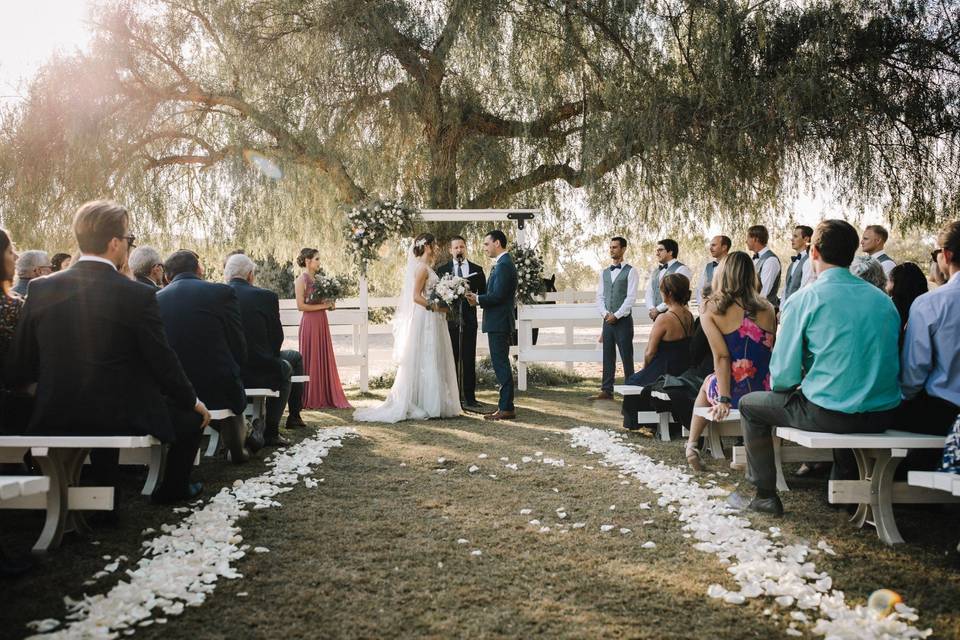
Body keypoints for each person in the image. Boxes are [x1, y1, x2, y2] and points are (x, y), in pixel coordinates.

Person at [5, 200, 211, 504]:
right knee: (192, 420)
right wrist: (192, 401)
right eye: (129, 239)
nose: (129, 246)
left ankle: (100, 502)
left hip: (56, 410)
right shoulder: (137, 294)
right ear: (114, 243)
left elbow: (20, 362)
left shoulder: (41, 288)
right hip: (120, 414)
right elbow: (162, 360)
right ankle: (173, 489)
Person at [727, 219, 901, 516]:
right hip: (882, 414)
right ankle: (843, 485)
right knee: (836, 392)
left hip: (831, 414)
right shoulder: (884, 301)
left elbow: (782, 377)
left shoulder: (804, 299)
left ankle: (765, 495)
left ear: (814, 251)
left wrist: (802, 382)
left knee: (750, 405)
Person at [683, 252, 777, 471]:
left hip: (732, 392)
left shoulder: (711, 309)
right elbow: (769, 351)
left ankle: (692, 445)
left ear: (722, 273)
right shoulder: (768, 308)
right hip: (765, 391)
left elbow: (722, 357)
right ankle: (747, 451)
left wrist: (724, 399)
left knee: (707, 383)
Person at [355, 233, 460, 423]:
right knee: (426, 356)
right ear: (427, 246)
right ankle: (427, 404)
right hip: (426, 317)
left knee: (433, 355)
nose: (436, 248)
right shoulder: (421, 268)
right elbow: (416, 297)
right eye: (434, 245)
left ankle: (434, 402)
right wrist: (435, 306)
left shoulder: (428, 267)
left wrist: (445, 301)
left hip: (434, 317)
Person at [158, 250, 252, 459]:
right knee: (231, 387)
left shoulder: (156, 298)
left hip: (177, 391)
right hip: (217, 384)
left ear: (166, 276)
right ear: (199, 269)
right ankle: (238, 449)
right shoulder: (221, 292)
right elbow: (237, 342)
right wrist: (236, 369)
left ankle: (244, 439)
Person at [225, 253, 305, 445]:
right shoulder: (265, 296)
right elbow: (277, 337)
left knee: (292, 357)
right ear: (250, 274)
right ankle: (273, 429)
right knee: (287, 364)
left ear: (227, 274)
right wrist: (270, 356)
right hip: (259, 366)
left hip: (227, 367)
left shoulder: (215, 295)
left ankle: (291, 416)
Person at [899, 221, 960, 437]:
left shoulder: (930, 303)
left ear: (946, 254)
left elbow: (915, 368)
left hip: (944, 411)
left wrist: (904, 396)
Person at [620, 274, 694, 429]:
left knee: (633, 381)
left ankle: (636, 422)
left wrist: (645, 368)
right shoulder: (689, 315)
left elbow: (650, 352)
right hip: (684, 367)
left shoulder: (664, 318)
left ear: (669, 294)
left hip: (665, 369)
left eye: (661, 291)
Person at [466, 230, 518, 421]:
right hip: (498, 322)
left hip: (499, 323)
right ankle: (505, 406)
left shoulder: (504, 266)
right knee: (500, 363)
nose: (485, 248)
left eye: (487, 244)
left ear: (497, 243)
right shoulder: (502, 264)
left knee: (501, 364)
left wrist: (477, 298)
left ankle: (506, 408)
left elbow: (499, 296)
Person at [295, 248, 352, 409]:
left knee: (322, 354)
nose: (319, 262)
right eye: (317, 259)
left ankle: (325, 393)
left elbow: (325, 304)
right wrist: (323, 306)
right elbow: (300, 306)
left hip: (321, 321)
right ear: (307, 261)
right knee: (311, 356)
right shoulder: (301, 280)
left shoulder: (320, 279)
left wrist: (330, 304)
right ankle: (312, 395)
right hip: (310, 323)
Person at [436, 235, 486, 410]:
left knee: (468, 359)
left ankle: (470, 398)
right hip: (450, 322)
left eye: (462, 247)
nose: (459, 250)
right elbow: (437, 296)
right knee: (451, 359)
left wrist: (475, 299)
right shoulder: (442, 270)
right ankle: (452, 396)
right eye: (456, 247)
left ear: (466, 248)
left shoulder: (477, 270)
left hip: (470, 321)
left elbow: (484, 296)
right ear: (450, 250)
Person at [589, 236, 639, 401]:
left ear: (623, 249)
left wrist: (616, 315)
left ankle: (631, 389)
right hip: (607, 320)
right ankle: (606, 390)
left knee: (626, 356)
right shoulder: (604, 272)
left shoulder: (631, 271)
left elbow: (631, 298)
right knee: (607, 355)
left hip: (623, 320)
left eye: (615, 247)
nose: (612, 250)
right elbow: (599, 296)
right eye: (610, 247)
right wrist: (605, 314)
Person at [646, 239, 692, 320]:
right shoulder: (655, 271)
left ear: (670, 252)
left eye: (660, 250)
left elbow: (677, 295)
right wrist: (652, 309)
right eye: (656, 251)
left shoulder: (682, 269)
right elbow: (649, 292)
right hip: (657, 316)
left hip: (677, 316)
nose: (657, 253)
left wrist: (658, 309)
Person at [886, 262, 928, 343]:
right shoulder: (926, 308)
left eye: (888, 280)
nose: (886, 285)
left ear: (895, 283)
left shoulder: (891, 308)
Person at [746, 225, 781, 308]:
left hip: (764, 311)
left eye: (748, 238)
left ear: (755, 239)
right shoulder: (753, 259)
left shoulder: (771, 260)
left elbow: (764, 292)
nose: (746, 241)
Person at [696, 235, 730, 308]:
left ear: (724, 247)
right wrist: (702, 306)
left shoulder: (734, 265)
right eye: (710, 245)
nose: (710, 248)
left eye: (714, 245)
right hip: (709, 309)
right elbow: (700, 288)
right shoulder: (708, 267)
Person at [782, 225, 813, 303]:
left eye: (795, 236)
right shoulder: (792, 264)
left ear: (806, 239)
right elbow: (785, 289)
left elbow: (804, 289)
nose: (791, 239)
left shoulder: (809, 261)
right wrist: (782, 308)